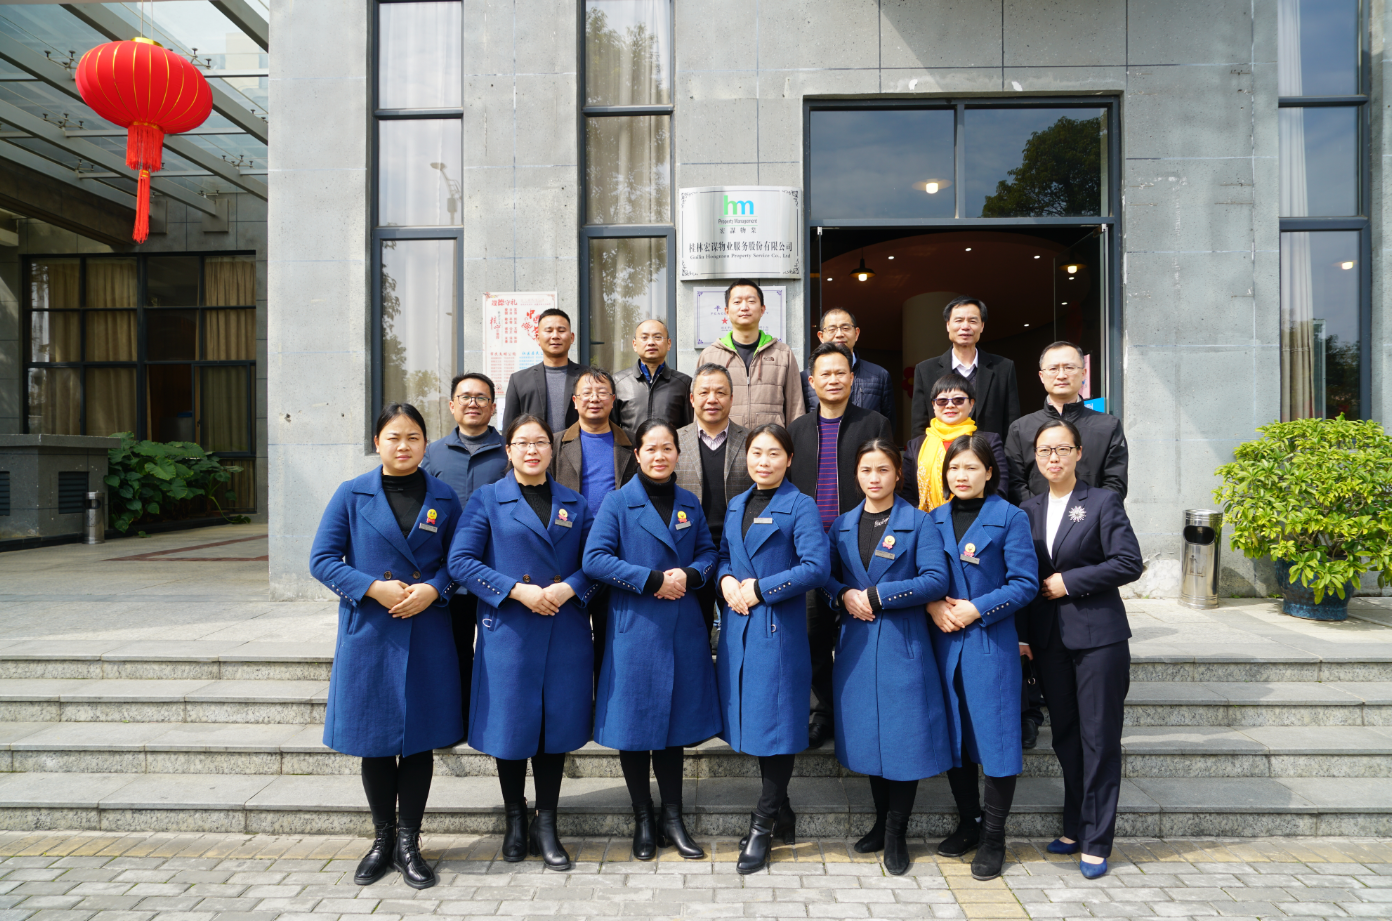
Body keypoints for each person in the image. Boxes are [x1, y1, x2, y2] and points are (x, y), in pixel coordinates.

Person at [309, 403, 463, 891]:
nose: (403, 446)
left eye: (413, 437)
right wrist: (373, 587)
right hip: (371, 631)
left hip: (426, 629)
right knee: (375, 740)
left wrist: (434, 589)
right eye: (394, 437)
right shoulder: (351, 493)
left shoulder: (444, 496)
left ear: (425, 443)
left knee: (418, 740)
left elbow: (459, 560)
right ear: (377, 442)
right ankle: (382, 840)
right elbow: (322, 559)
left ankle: (409, 844)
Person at [448, 414, 600, 872]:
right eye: (522, 443)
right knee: (511, 729)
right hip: (510, 631)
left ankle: (546, 822)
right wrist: (517, 590)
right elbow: (460, 562)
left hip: (564, 628)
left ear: (552, 451)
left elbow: (596, 562)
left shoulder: (575, 502)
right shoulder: (487, 499)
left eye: (539, 443)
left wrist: (569, 588)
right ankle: (515, 818)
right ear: (508, 450)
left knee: (554, 731)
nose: (532, 450)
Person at [582, 419, 720, 862]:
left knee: (674, 727)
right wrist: (651, 579)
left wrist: (692, 574)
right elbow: (594, 559)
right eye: (651, 449)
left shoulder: (689, 502)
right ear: (637, 455)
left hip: (681, 627)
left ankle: (673, 818)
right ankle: (643, 817)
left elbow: (709, 553)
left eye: (667, 448)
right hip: (635, 629)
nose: (660, 456)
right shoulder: (617, 502)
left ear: (678, 453)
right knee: (635, 725)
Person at [1018, 419, 1143, 879]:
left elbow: (1129, 562)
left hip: (1098, 639)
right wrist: (1024, 635)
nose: (1053, 458)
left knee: (1099, 738)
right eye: (1044, 450)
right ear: (1035, 457)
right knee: (1067, 736)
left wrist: (1069, 582)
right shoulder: (1026, 509)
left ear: (1078, 454)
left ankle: (1096, 839)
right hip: (1050, 640)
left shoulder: (1102, 502)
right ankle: (1074, 826)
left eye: (1062, 449)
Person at [821, 439, 952, 876]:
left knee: (902, 740)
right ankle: (880, 823)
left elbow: (935, 580)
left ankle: (897, 832)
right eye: (866, 470)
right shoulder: (842, 525)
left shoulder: (919, 522)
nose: (874, 478)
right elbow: (826, 578)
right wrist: (843, 594)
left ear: (899, 474)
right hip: (857, 649)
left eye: (883, 470)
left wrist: (879, 595)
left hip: (902, 644)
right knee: (870, 738)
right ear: (856, 475)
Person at [714, 423, 830, 874]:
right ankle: (782, 811)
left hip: (778, 632)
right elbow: (725, 555)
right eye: (756, 453)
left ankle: (762, 824)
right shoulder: (738, 503)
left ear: (789, 460)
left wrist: (762, 588)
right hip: (739, 630)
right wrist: (726, 579)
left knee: (778, 726)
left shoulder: (800, 505)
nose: (764, 462)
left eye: (774, 454)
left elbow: (816, 567)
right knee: (760, 725)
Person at [926, 433, 1040, 881]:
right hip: (944, 644)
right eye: (954, 468)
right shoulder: (932, 519)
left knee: (996, 741)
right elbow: (920, 576)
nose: (962, 475)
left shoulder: (1009, 517)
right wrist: (932, 606)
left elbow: (1025, 583)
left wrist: (978, 608)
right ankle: (969, 822)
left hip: (989, 643)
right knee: (956, 739)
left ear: (989, 472)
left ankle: (994, 837)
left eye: (971, 467)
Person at [789, 342, 893, 749]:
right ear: (811, 381)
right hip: (810, 549)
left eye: (840, 373)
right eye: (825, 374)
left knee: (861, 631)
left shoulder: (875, 423)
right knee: (813, 633)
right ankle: (823, 713)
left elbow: (886, 480)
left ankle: (861, 711)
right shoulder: (797, 429)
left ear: (852, 378)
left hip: (859, 544)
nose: (833, 380)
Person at [421, 372, 509, 742]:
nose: (473, 403)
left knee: (498, 653)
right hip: (449, 577)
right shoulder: (433, 453)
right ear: (452, 405)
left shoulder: (509, 450)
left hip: (498, 573)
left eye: (481, 397)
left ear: (493, 406)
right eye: (465, 397)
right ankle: (458, 721)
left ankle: (493, 722)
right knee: (456, 651)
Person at [551, 367, 637, 681]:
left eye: (602, 393)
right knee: (568, 638)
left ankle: (604, 702)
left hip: (615, 553)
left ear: (613, 400)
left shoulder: (631, 444)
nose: (594, 399)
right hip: (567, 553)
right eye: (586, 393)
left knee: (610, 636)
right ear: (575, 401)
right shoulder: (555, 443)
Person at [675, 364, 755, 643]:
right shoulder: (674, 442)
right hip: (690, 551)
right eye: (704, 392)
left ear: (732, 398)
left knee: (739, 631)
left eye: (720, 392)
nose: (712, 399)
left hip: (736, 552)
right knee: (692, 634)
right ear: (692, 398)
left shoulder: (751, 442)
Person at [1004, 341, 1129, 505]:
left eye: (1069, 368)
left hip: (1094, 519)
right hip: (1035, 518)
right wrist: (1040, 512)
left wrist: (1087, 514)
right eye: (1053, 369)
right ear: (1041, 376)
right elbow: (1014, 483)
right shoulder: (1020, 428)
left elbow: (1115, 483)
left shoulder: (1108, 426)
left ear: (1084, 373)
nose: (1061, 375)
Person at [697, 278, 805, 427]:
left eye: (751, 301)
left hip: (771, 440)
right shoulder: (710, 355)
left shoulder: (782, 354)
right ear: (727, 311)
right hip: (726, 440)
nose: (744, 307)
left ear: (762, 310)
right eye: (737, 302)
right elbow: (699, 409)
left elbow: (795, 406)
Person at [910, 297, 1020, 437]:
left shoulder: (1003, 368)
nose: (965, 326)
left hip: (990, 450)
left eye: (972, 321)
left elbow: (1012, 422)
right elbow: (919, 427)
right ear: (948, 325)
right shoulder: (925, 370)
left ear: (982, 326)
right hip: (942, 450)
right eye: (959, 320)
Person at [901, 372, 1009, 509]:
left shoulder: (990, 441)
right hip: (925, 519)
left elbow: (999, 488)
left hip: (978, 517)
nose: (950, 405)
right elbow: (906, 492)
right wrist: (926, 519)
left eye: (958, 400)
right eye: (942, 401)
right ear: (933, 405)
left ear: (971, 404)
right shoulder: (916, 445)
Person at [800, 308, 894, 420]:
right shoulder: (804, 378)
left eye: (845, 328)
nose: (839, 334)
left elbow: (888, 424)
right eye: (832, 329)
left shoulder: (879, 375)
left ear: (856, 333)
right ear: (821, 336)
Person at [501, 308, 583, 435]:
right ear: (537, 338)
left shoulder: (588, 376)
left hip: (579, 446)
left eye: (561, 331)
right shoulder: (519, 380)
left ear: (572, 337)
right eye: (549, 331)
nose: (555, 336)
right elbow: (509, 429)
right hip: (534, 447)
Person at [613, 318, 694, 433]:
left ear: (669, 344)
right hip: (630, 445)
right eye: (644, 337)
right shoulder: (618, 382)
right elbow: (611, 428)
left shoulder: (684, 383)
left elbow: (689, 429)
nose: (651, 342)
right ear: (634, 344)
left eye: (657, 337)